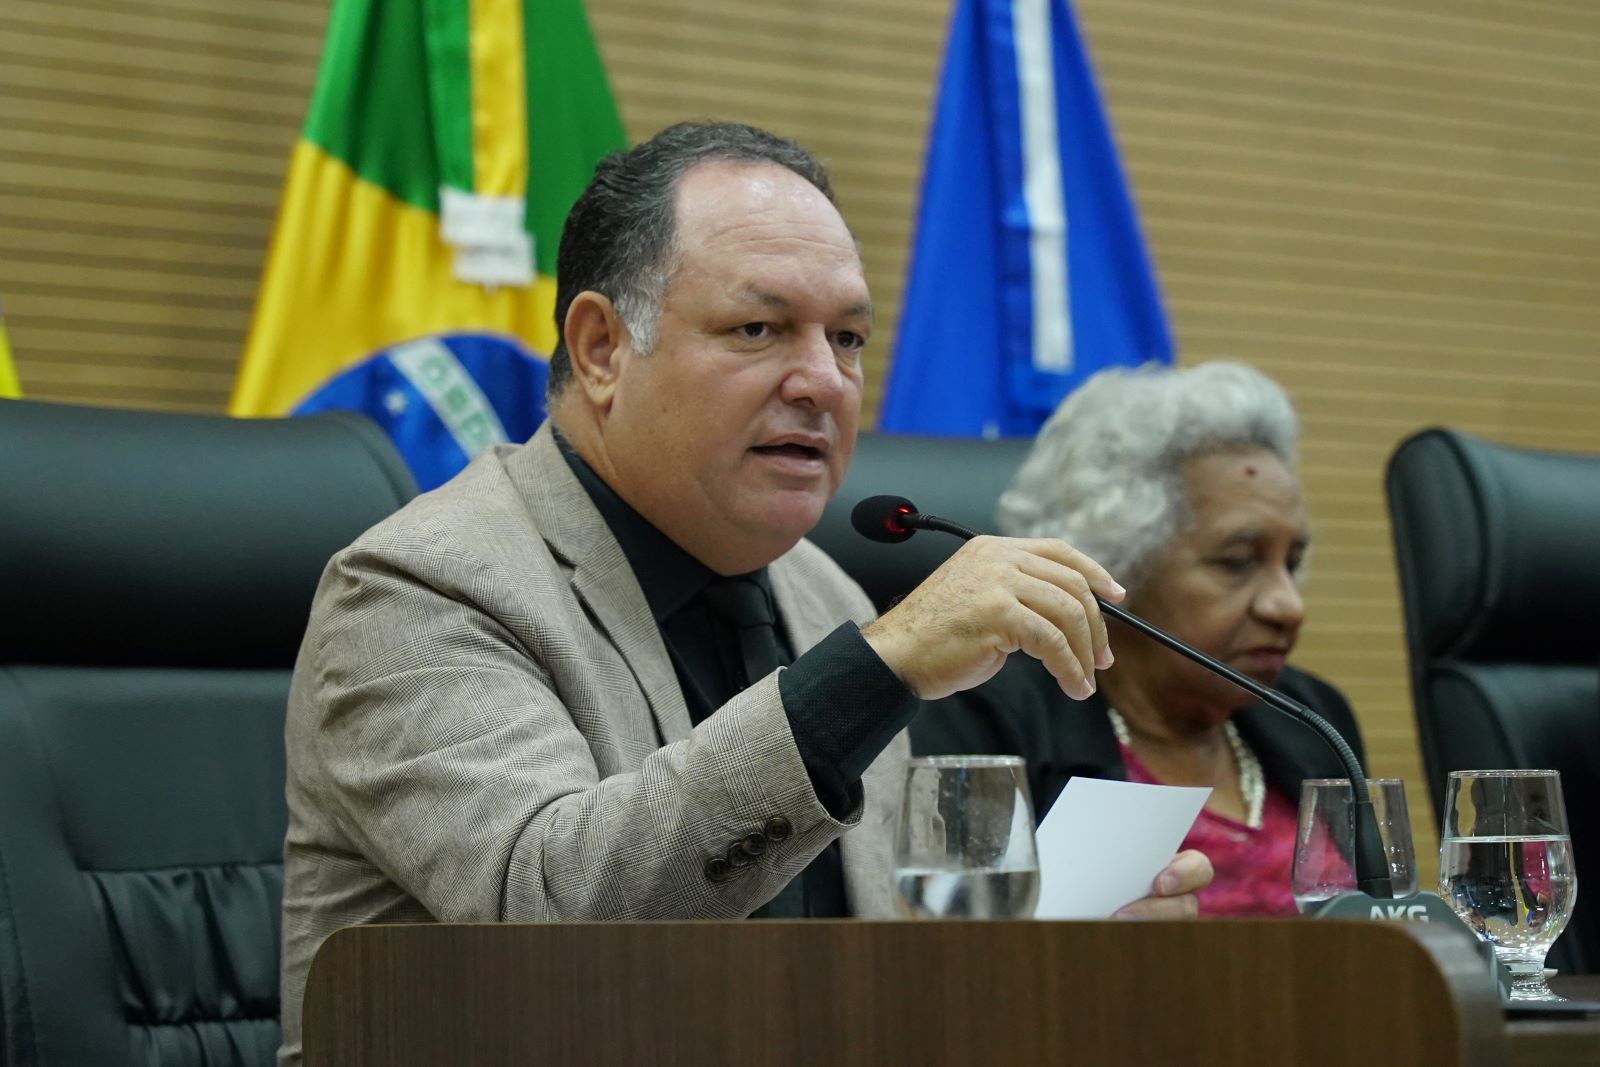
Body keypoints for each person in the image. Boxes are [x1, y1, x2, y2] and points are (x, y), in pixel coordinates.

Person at [275, 122, 1210, 1063]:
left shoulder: (819, 591)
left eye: (847, 337)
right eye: (757, 329)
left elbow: (859, 984)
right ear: (601, 348)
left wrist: (1045, 961)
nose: (822, 383)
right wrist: (872, 671)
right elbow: (553, 921)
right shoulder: (419, 590)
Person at [914, 362, 1364, 917]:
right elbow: (951, 948)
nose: (1288, 605)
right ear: (1117, 566)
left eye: (1291, 564)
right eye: (1237, 562)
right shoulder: (989, 717)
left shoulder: (1314, 718)